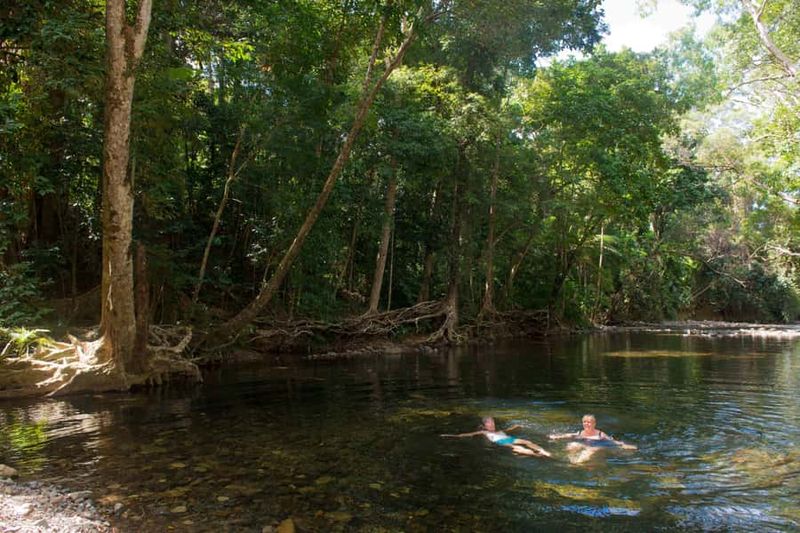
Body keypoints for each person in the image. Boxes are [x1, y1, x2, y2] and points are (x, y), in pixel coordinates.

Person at [441, 417, 551, 457]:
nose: (492, 424)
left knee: (527, 441)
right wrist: (452, 435)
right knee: (515, 447)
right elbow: (468, 434)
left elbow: (509, 430)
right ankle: (536, 455)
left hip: (509, 437)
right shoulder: (483, 432)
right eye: (489, 423)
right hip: (501, 442)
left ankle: (543, 451)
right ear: (484, 425)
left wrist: (516, 425)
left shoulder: (500, 430)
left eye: (493, 422)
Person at [548, 414, 637, 463]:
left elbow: (612, 441)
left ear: (594, 424)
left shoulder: (600, 434)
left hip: (596, 445)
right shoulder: (580, 433)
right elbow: (569, 435)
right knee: (571, 445)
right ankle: (570, 460)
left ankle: (578, 463)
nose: (587, 424)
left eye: (589, 422)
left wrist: (625, 445)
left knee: (591, 449)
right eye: (585, 422)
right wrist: (557, 436)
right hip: (585, 443)